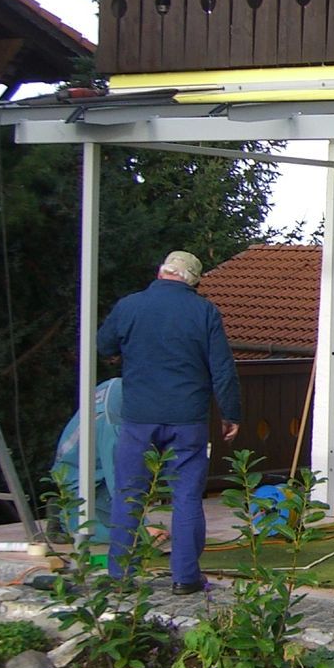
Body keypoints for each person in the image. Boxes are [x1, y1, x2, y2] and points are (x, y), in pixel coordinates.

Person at [95, 250, 241, 595]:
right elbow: (222, 368)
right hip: (187, 418)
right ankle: (185, 578)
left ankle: (121, 576)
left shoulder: (129, 306)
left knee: (129, 494)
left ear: (162, 272)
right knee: (187, 496)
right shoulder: (204, 311)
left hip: (138, 418)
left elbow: (104, 345)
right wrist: (231, 413)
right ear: (193, 281)